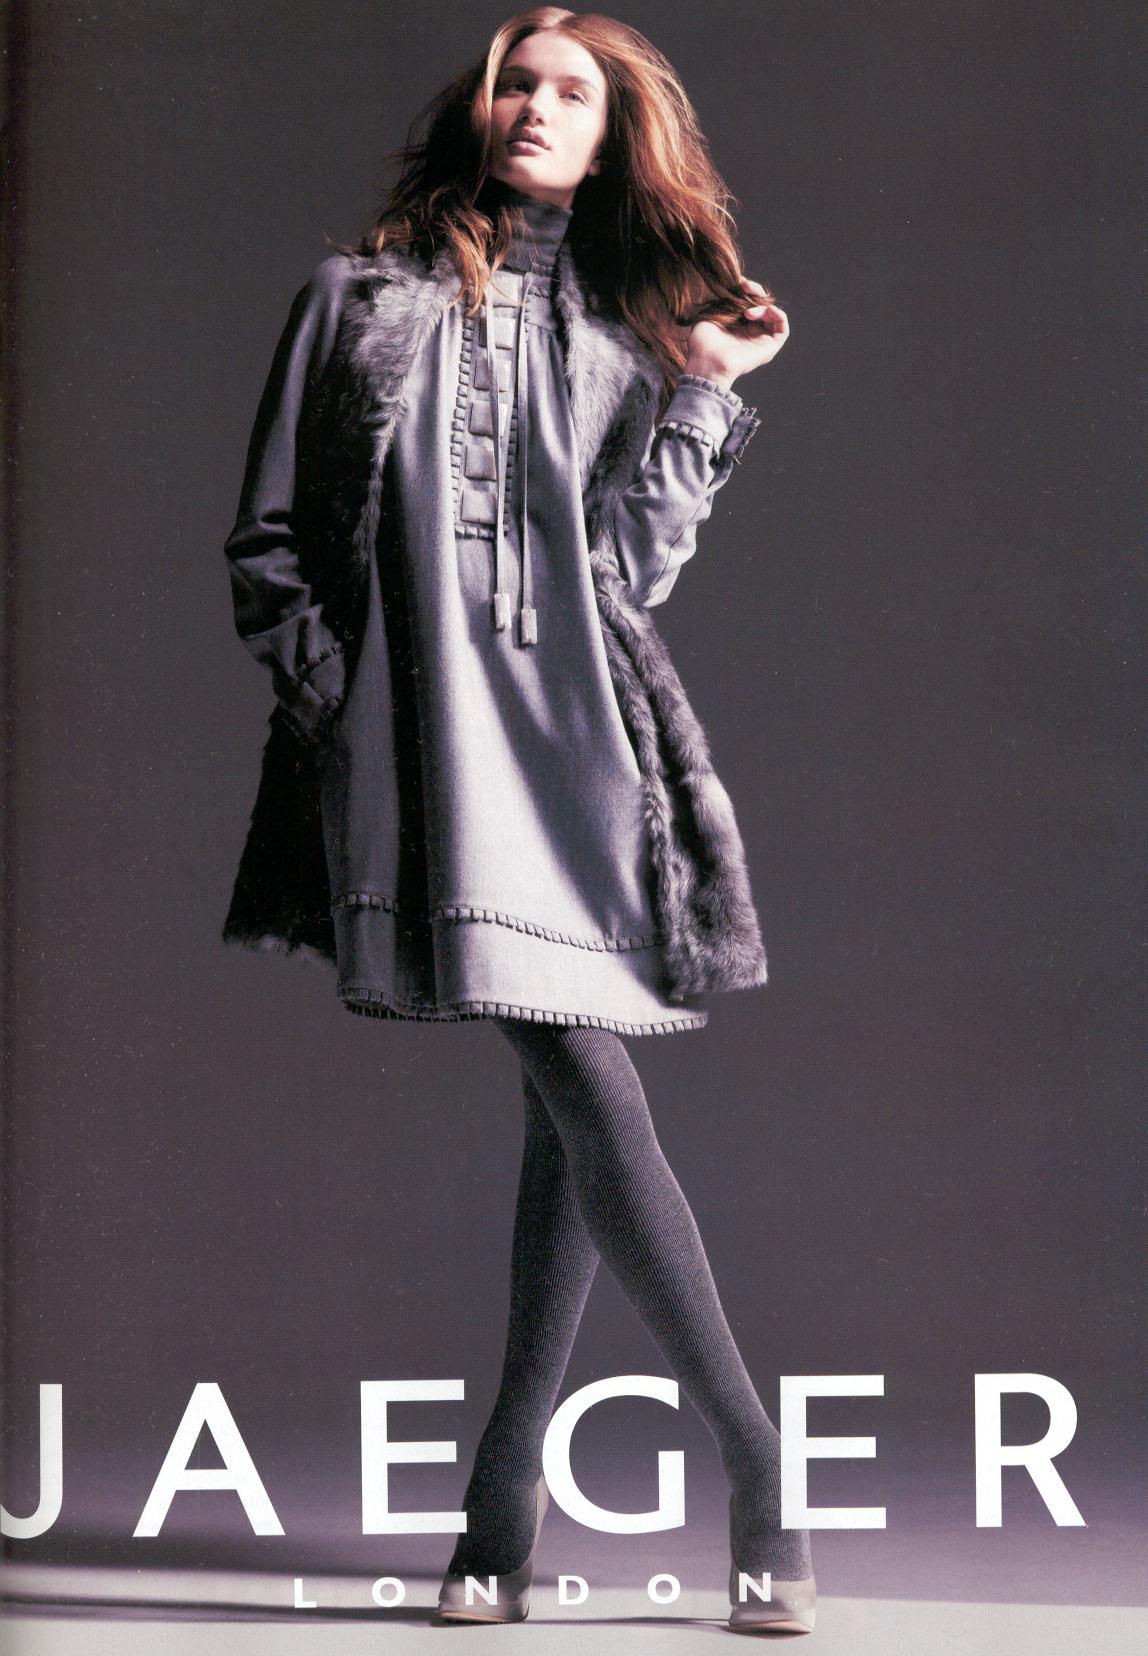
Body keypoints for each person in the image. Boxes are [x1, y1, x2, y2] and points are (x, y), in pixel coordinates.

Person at [221, 6, 813, 1635]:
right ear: (479, 108)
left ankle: (503, 1508)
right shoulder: (353, 300)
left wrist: (704, 391)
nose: (539, 109)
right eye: (519, 84)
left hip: (583, 746)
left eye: (574, 94)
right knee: (572, 1069)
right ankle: (753, 1463)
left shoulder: (628, 334)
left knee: (571, 1090)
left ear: (615, 136)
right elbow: (267, 543)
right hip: (427, 744)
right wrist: (338, 702)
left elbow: (625, 573)